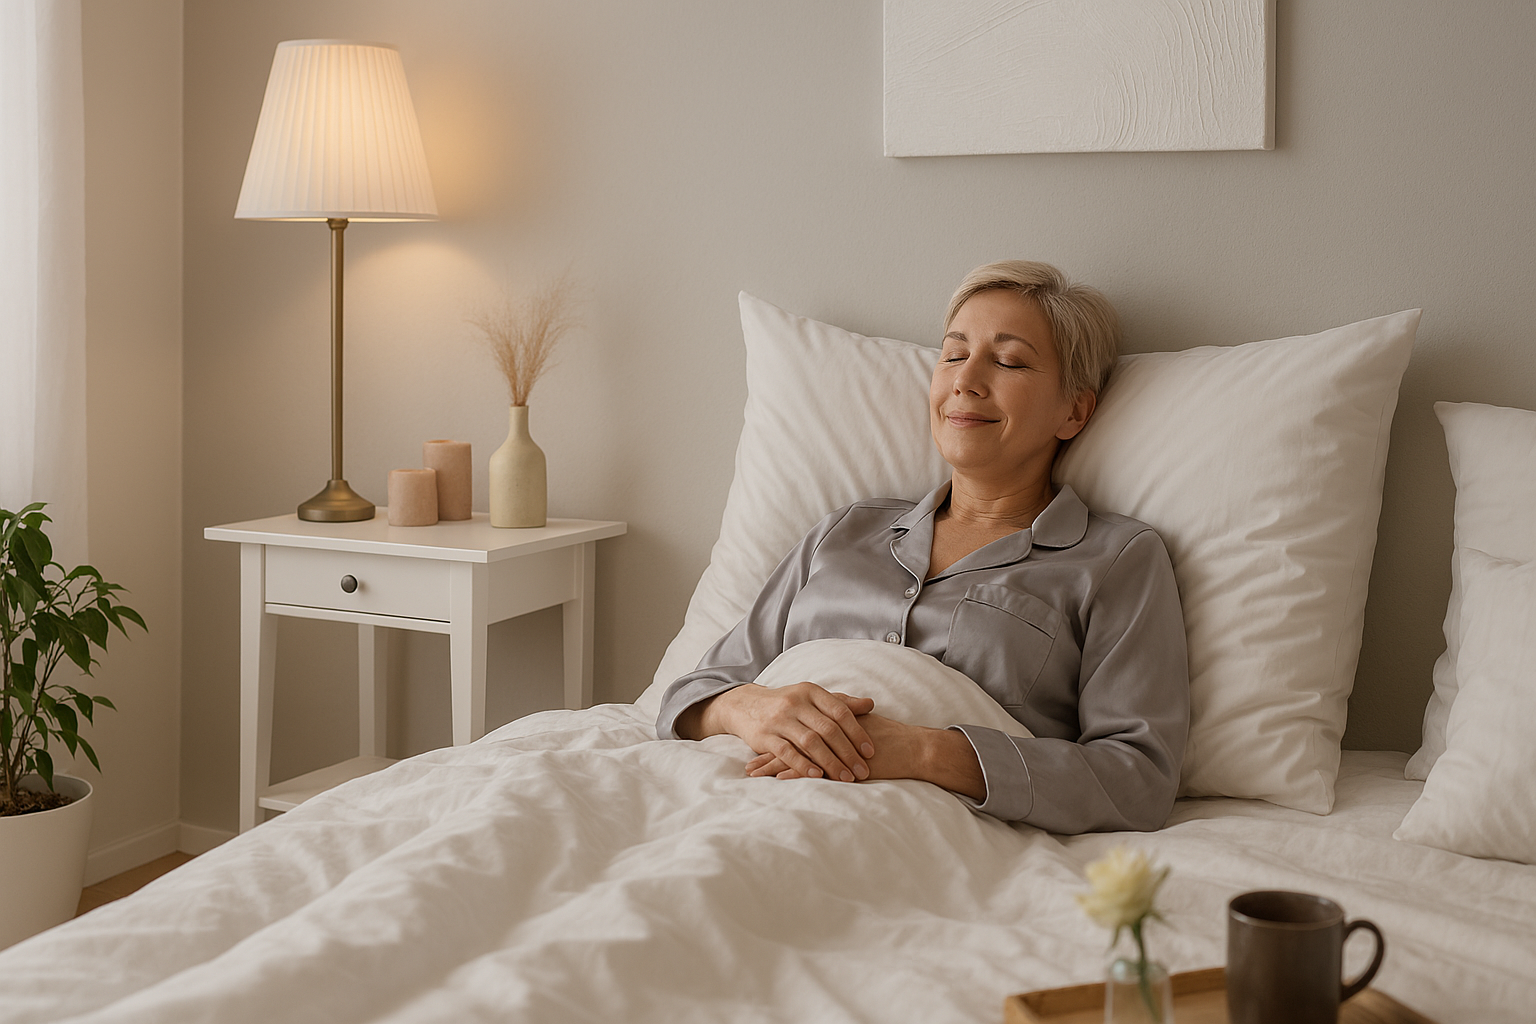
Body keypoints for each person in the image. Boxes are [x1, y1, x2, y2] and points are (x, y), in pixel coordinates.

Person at [655, 261, 1189, 834]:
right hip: (730, 799)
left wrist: (922, 752)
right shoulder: (845, 532)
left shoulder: (1115, 559)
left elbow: (1137, 780)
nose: (966, 380)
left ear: (1073, 411)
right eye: (954, 354)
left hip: (912, 833)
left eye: (1008, 361)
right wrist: (754, 708)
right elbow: (694, 692)